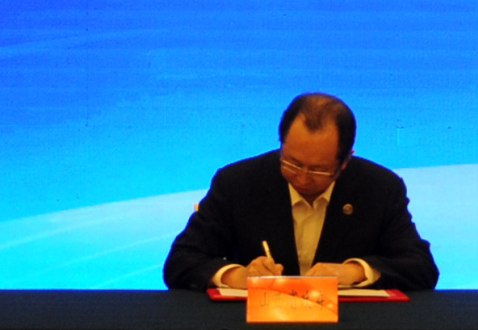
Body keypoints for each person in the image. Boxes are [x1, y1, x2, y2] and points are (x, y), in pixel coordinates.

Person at [163, 92, 439, 291]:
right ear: (282, 144)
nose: (303, 178)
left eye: (319, 170)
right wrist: (238, 276)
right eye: (292, 163)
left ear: (345, 161)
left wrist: (353, 271)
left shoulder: (379, 187)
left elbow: (421, 268)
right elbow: (181, 262)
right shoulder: (238, 182)